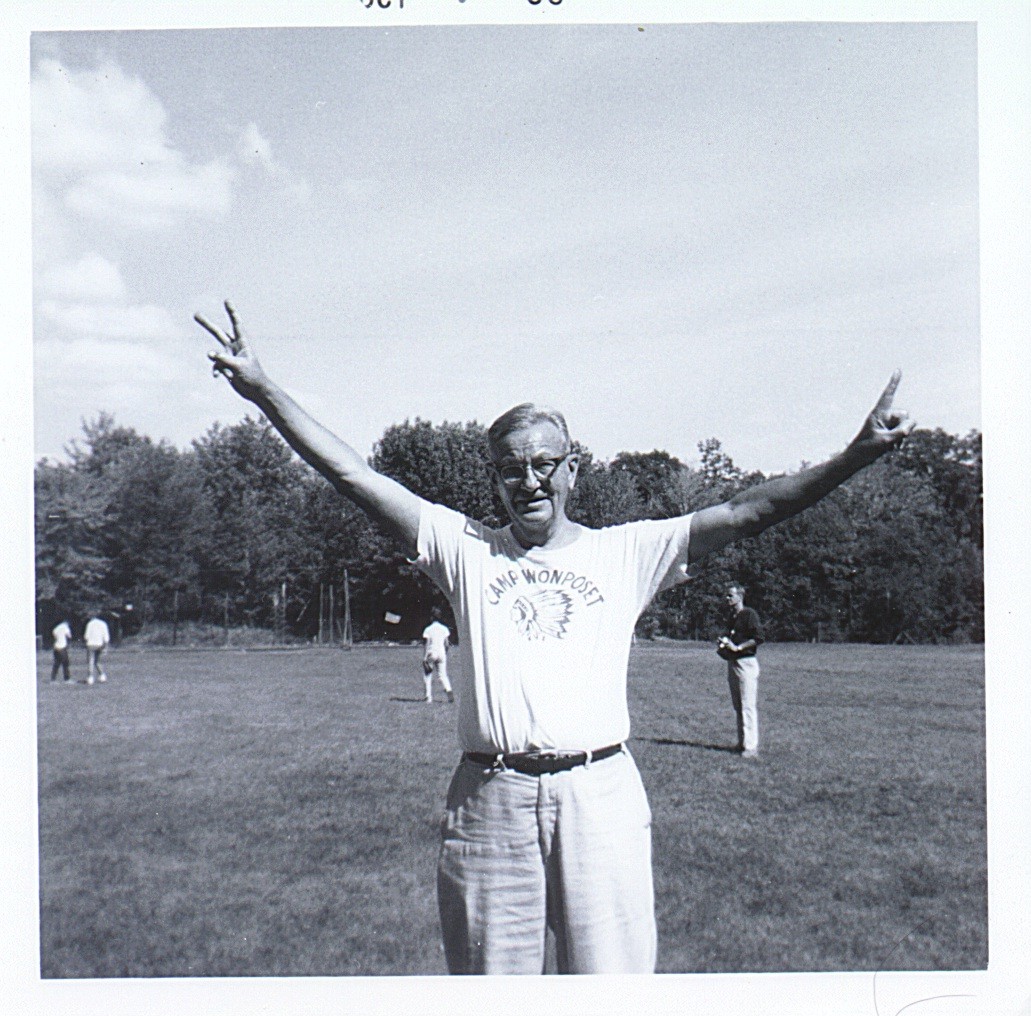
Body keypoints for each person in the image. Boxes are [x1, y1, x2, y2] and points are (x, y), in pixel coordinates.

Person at [196, 301, 914, 975]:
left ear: (572, 468)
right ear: (495, 481)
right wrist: (264, 391)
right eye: (511, 469)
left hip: (598, 796)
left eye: (544, 464)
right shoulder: (465, 548)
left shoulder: (626, 551)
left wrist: (854, 457)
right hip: (487, 801)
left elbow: (748, 510)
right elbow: (351, 474)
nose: (529, 481)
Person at [717, 583, 763, 757]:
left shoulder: (749, 614)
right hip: (733, 662)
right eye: (727, 595)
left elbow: (758, 638)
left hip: (746, 663)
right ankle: (742, 742)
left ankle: (751, 747)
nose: (727, 598)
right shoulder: (732, 616)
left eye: (730, 595)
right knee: (738, 706)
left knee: (747, 705)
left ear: (740, 596)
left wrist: (738, 647)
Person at [421, 609, 455, 704]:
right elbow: (447, 644)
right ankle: (449, 692)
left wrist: (424, 657)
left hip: (432, 653)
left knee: (427, 675)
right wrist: (445, 653)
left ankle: (428, 697)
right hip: (441, 653)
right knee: (443, 675)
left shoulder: (428, 629)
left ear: (432, 617)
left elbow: (427, 643)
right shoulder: (444, 629)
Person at [84, 614, 110, 685]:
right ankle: (102, 675)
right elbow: (106, 637)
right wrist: (105, 646)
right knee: (98, 661)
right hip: (100, 644)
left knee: (91, 661)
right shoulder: (103, 624)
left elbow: (86, 636)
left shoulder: (90, 624)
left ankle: (90, 678)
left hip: (91, 644)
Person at [50, 618, 73, 682]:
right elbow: (69, 636)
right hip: (62, 647)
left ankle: (53, 679)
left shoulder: (56, 628)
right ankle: (67, 679)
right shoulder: (65, 627)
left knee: (56, 663)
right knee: (65, 663)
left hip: (56, 647)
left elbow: (54, 635)